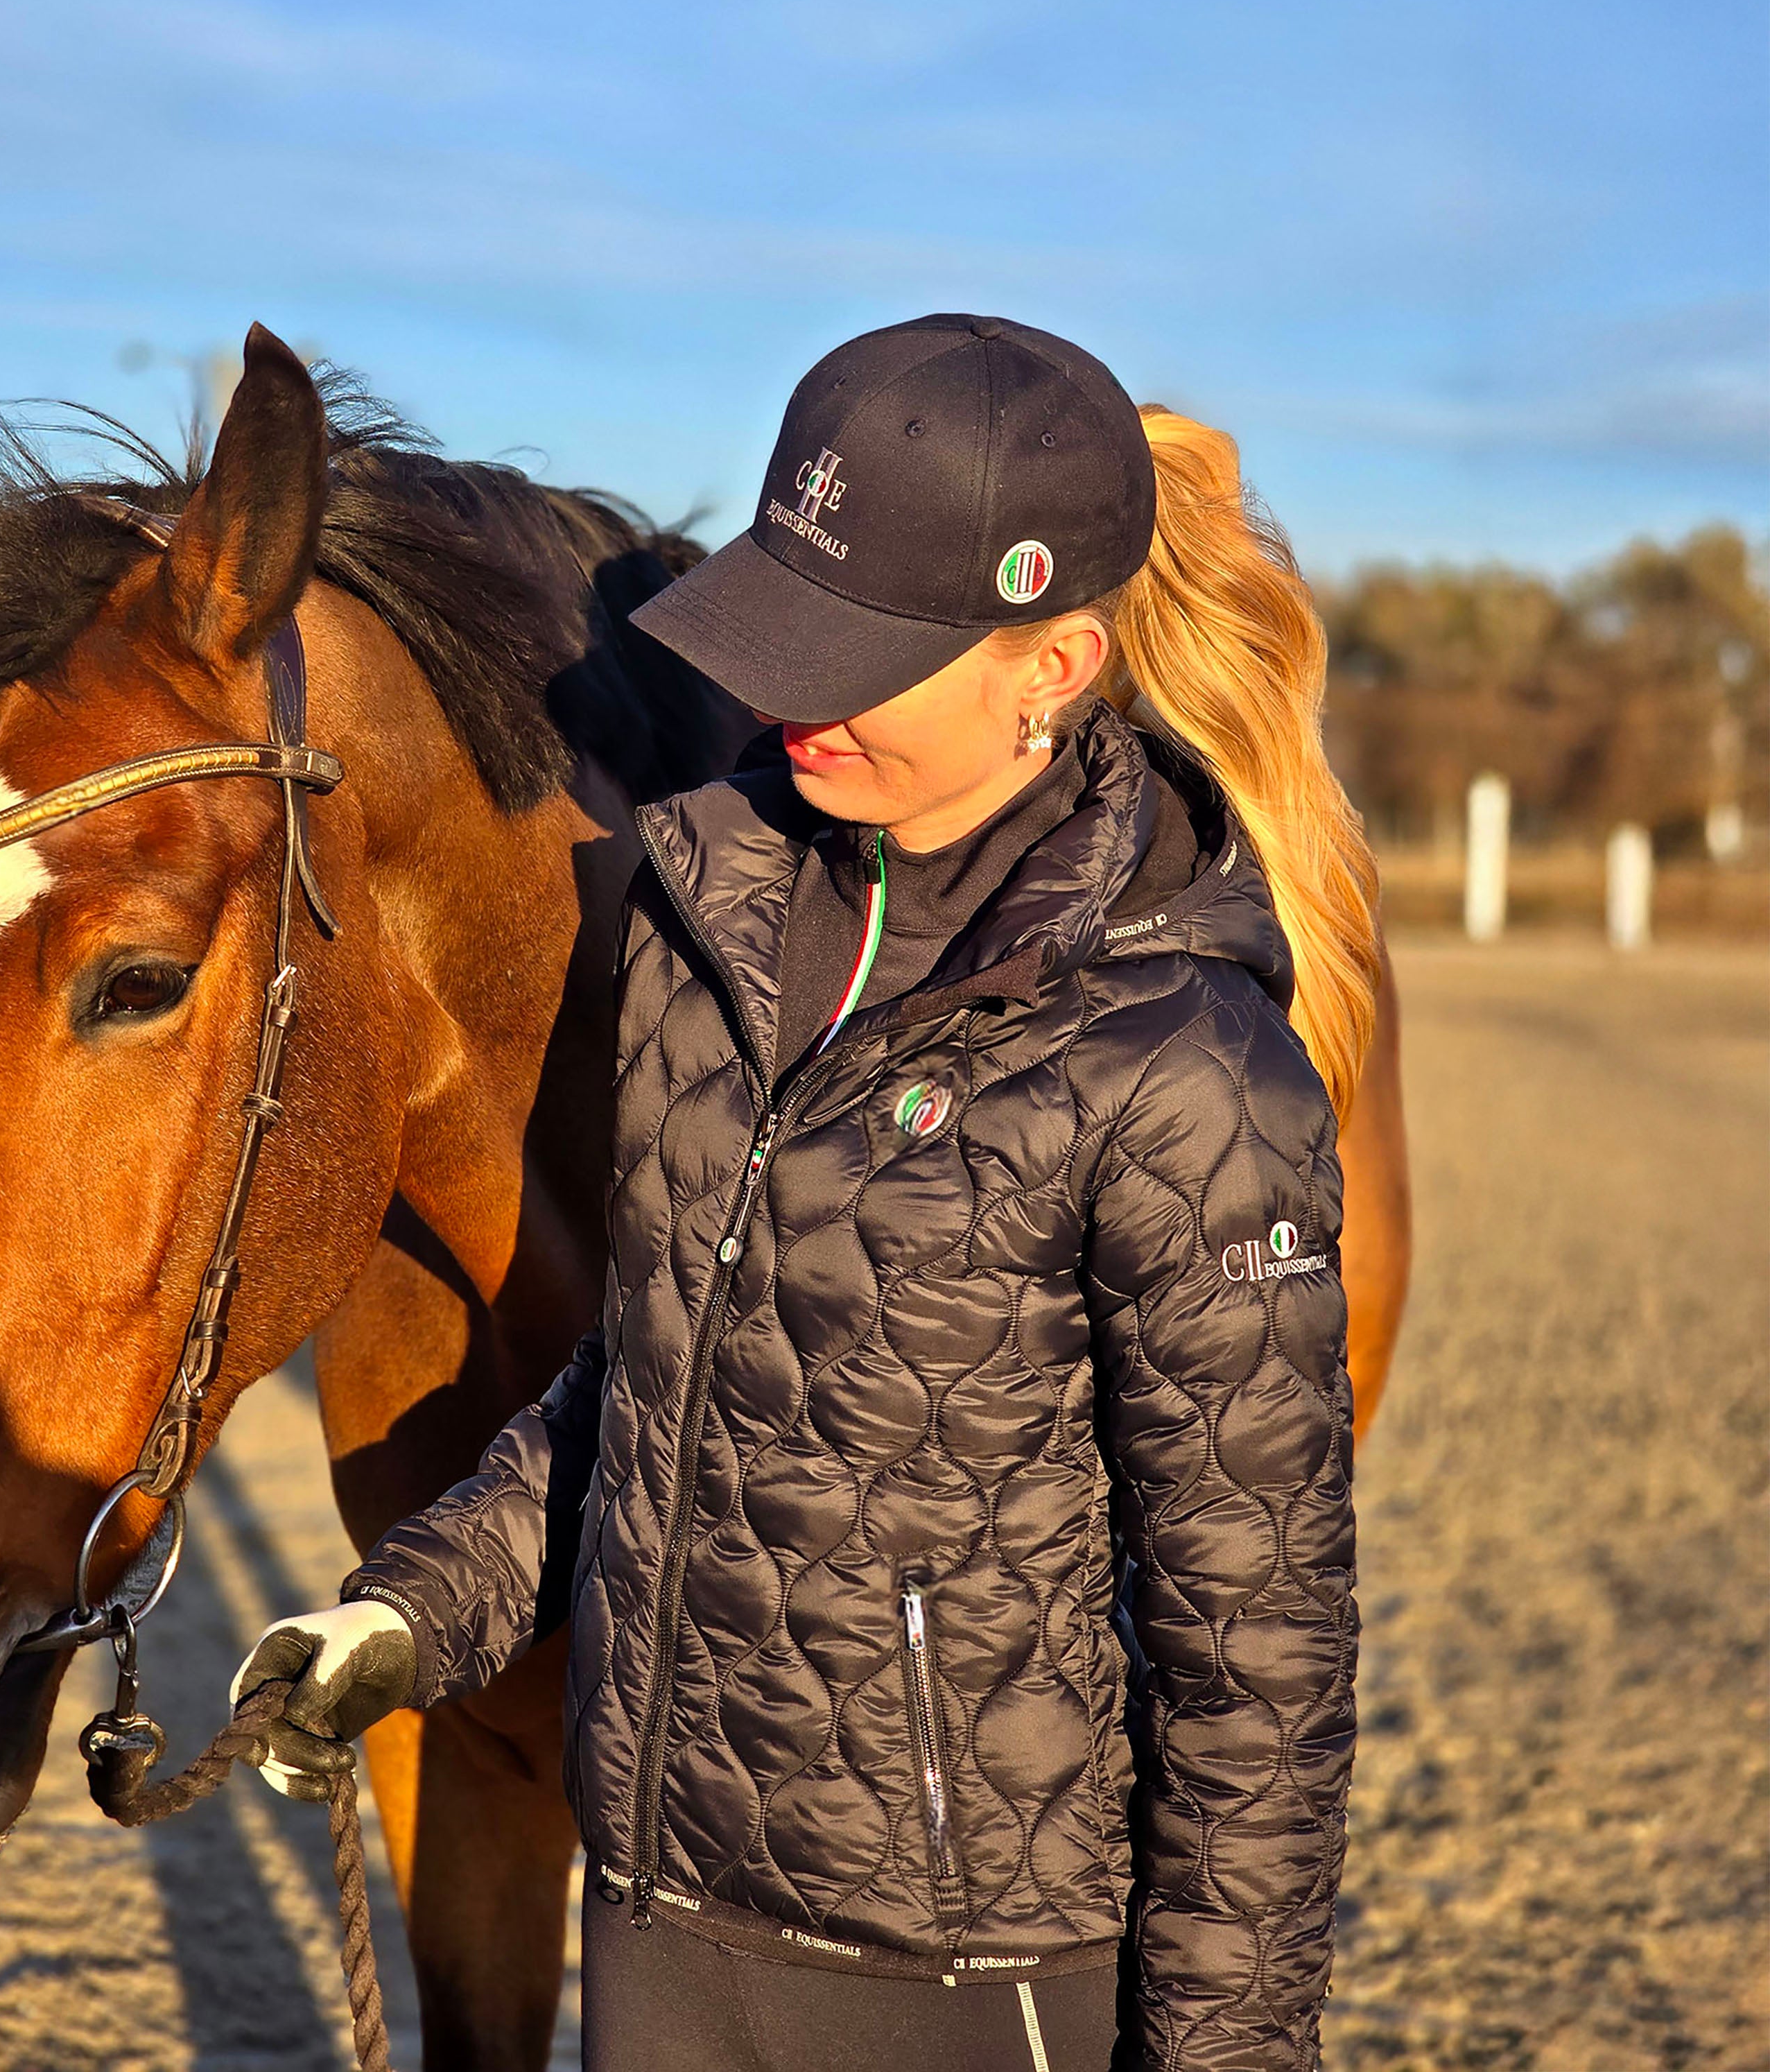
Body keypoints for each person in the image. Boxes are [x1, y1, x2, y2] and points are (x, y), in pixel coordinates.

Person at [235, 316, 1371, 2071]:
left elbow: (1256, 1656)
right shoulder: (711, 937)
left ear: (1049, 665)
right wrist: (411, 1608)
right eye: (782, 639)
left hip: (971, 1978)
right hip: (665, 1923)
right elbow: (665, 1378)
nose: (790, 702)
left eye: (855, 657)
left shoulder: (1185, 1070)